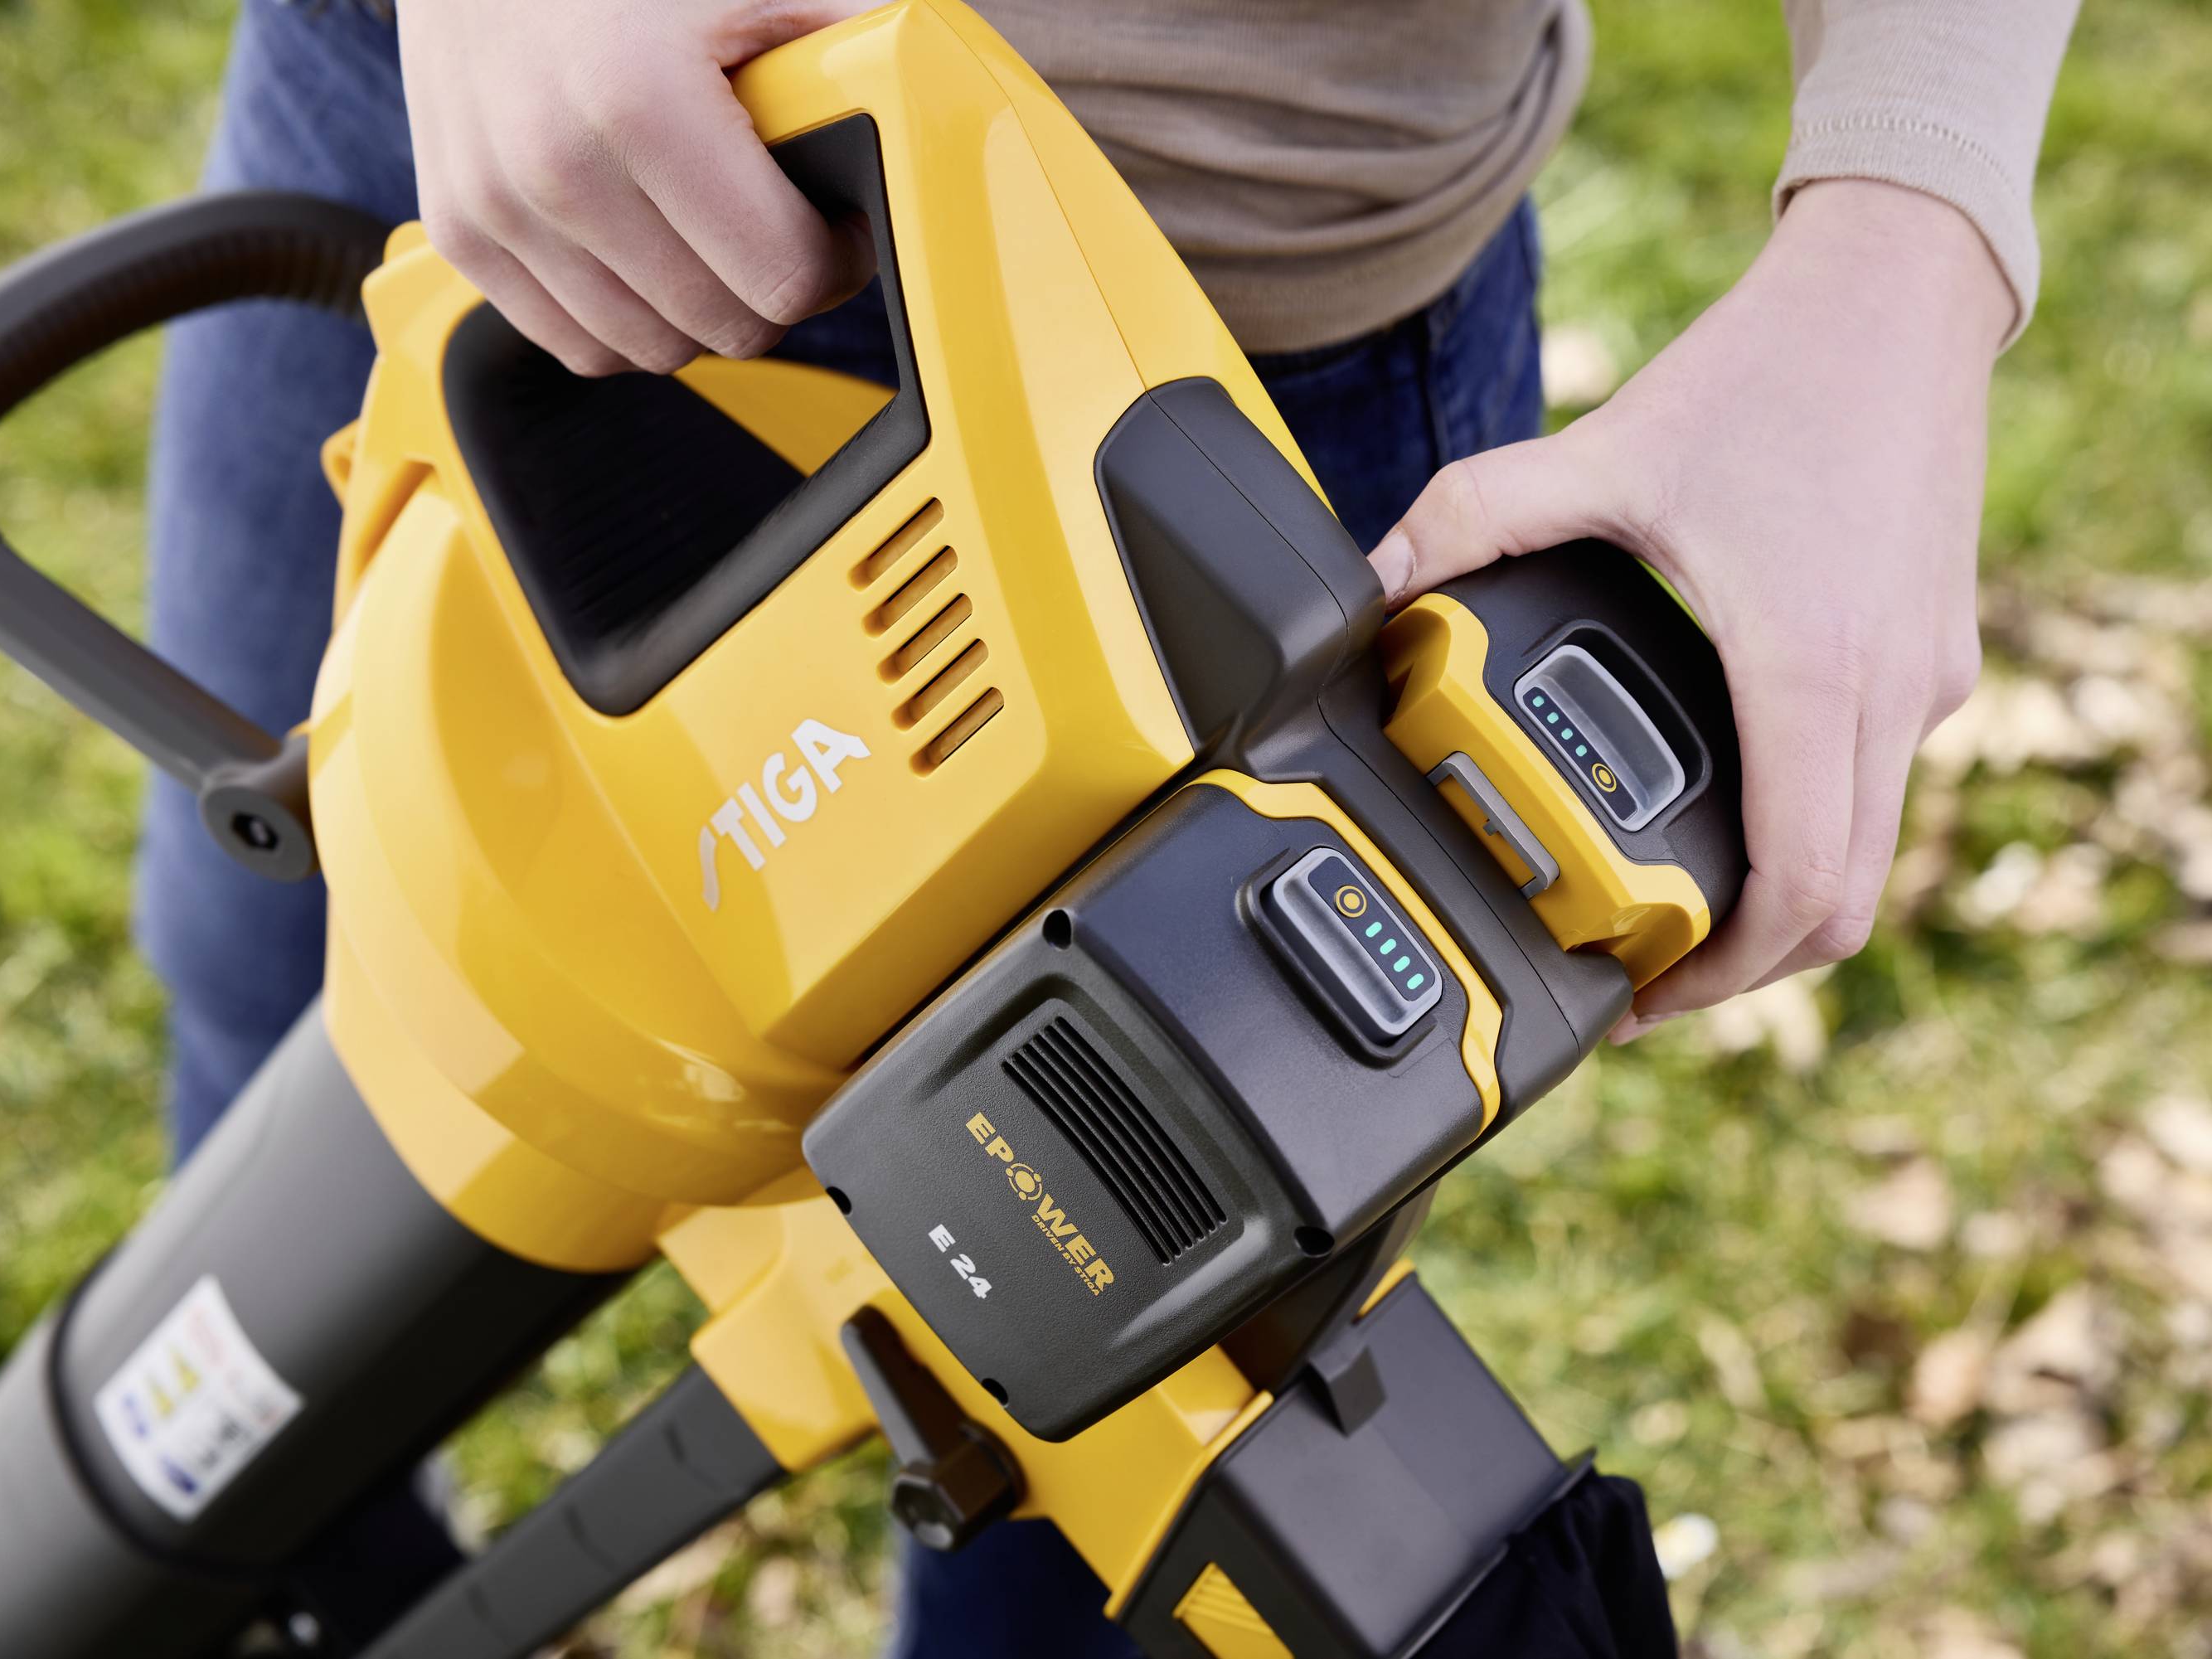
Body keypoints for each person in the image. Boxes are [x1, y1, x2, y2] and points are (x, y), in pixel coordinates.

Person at [137, 0, 2079, 1651]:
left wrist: (1902, 253)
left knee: (1077, 1415)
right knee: (276, 1013)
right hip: (483, 138)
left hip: (1196, 355)